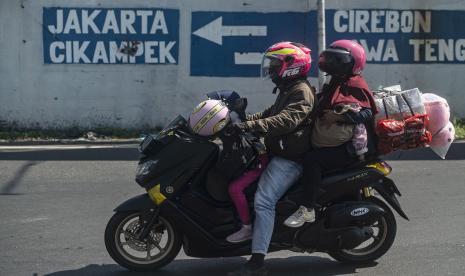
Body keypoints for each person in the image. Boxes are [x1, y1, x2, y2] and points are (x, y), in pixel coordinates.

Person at [228, 42, 315, 276]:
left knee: (264, 200)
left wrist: (250, 126)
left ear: (292, 67)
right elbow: (269, 113)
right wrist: (235, 121)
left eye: (276, 64)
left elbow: (286, 120)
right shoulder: (288, 89)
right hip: (278, 151)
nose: (271, 69)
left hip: (290, 159)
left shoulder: (301, 91)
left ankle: (257, 262)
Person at [284, 40, 378, 228]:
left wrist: (337, 118)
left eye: (338, 60)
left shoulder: (355, 83)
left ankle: (308, 208)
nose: (332, 63)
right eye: (331, 59)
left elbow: (367, 113)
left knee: (312, 160)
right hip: (333, 141)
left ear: (351, 63)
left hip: (351, 147)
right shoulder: (335, 81)